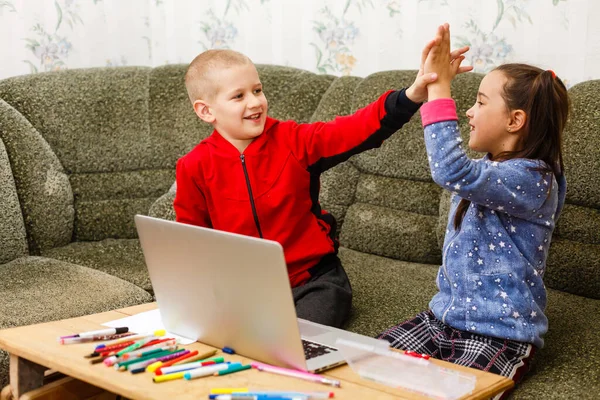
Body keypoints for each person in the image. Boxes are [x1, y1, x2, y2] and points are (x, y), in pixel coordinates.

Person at [174, 42, 471, 328]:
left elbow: (355, 129)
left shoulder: (293, 141)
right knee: (221, 337)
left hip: (313, 281)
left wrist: (412, 94)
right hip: (246, 289)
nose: (255, 102)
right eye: (238, 96)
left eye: (257, 90)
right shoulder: (193, 166)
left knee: (296, 344)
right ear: (206, 111)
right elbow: (191, 242)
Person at [378, 24, 569, 398]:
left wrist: (439, 87)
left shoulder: (533, 179)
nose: (469, 111)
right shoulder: (490, 169)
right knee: (363, 369)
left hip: (500, 335)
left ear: (515, 121)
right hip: (440, 320)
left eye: (480, 102)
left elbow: (450, 169)